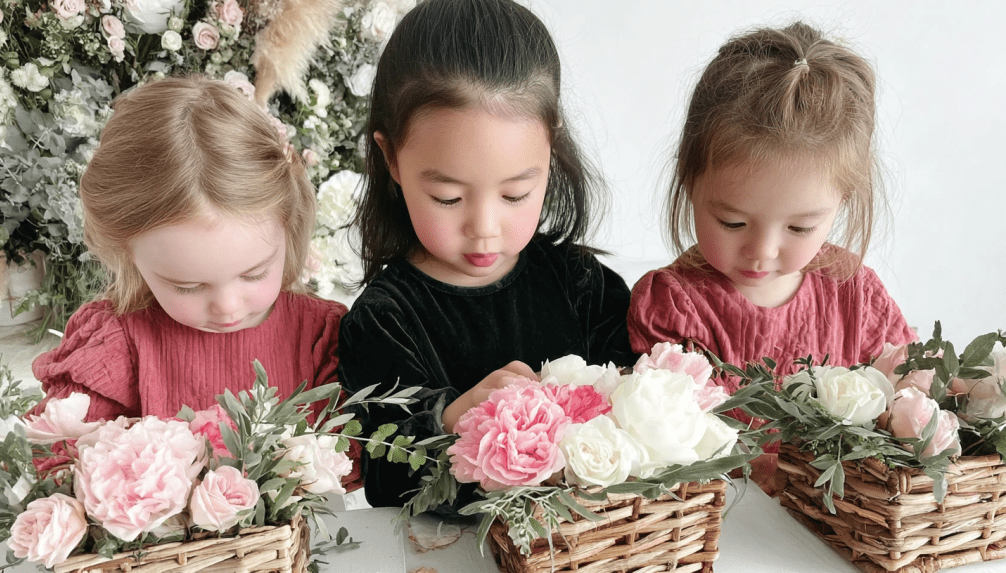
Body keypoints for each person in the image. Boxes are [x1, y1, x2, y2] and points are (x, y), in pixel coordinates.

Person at [338, 0, 636, 508]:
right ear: (391, 158)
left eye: (515, 194)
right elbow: (386, 483)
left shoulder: (585, 286)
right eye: (448, 198)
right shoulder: (383, 322)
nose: (484, 229)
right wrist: (454, 419)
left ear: (549, 148)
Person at [627, 22, 916, 493]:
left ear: (842, 201)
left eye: (800, 228)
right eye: (732, 223)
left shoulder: (854, 293)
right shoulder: (674, 305)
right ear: (690, 181)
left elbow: (906, 396)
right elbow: (672, 445)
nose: (761, 252)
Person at [30, 76, 347, 424]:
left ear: (288, 228)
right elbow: (57, 455)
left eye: (254, 273)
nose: (228, 307)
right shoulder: (116, 344)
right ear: (126, 252)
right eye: (187, 286)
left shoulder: (323, 339)